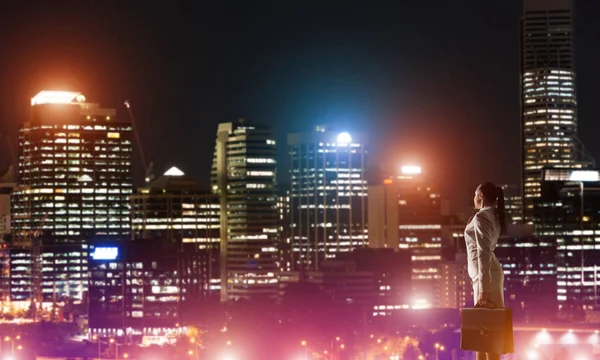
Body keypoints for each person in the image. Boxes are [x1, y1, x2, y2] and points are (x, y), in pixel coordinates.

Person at [464, 182, 507, 360]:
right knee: (482, 335)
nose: (473, 198)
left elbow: (483, 253)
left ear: (480, 195)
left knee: (488, 334)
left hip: (486, 277)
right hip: (487, 276)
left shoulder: (482, 217)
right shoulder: (493, 215)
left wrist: (483, 289)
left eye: (475, 194)